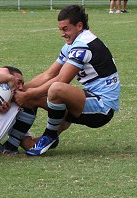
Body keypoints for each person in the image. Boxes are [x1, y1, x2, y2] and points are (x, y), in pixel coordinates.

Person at [11, 5, 120, 156]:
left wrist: (28, 94)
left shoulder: (83, 45)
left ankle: (50, 135)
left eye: (66, 28)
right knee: (32, 99)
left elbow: (62, 80)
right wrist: (22, 91)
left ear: (79, 26)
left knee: (56, 89)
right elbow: (48, 74)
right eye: (60, 29)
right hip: (89, 99)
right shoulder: (74, 44)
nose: (62, 33)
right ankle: (10, 146)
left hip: (102, 108)